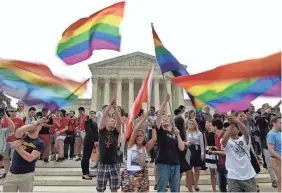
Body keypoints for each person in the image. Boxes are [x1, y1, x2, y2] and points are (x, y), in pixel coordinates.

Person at [3, 120, 44, 192]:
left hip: (27, 175)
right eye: (30, 124)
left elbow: (30, 158)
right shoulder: (22, 135)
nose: (32, 126)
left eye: (35, 125)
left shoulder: (40, 143)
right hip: (12, 174)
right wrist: (34, 124)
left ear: (40, 127)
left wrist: (19, 148)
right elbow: (18, 131)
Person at [155, 94, 185, 192]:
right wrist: (164, 102)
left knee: (175, 189)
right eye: (163, 120)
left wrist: (178, 135)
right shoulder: (161, 132)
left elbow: (181, 148)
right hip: (163, 164)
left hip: (176, 164)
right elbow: (159, 116)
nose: (165, 120)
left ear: (171, 123)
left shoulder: (174, 134)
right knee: (162, 189)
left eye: (167, 119)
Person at [121, 112, 156, 192]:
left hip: (142, 175)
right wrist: (143, 119)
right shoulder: (131, 146)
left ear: (144, 137)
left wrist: (152, 124)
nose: (139, 137)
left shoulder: (145, 148)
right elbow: (135, 130)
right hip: (131, 175)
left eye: (141, 135)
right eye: (137, 136)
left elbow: (154, 139)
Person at [221, 116, 257, 192]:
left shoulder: (243, 139)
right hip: (233, 176)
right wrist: (232, 125)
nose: (230, 128)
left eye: (234, 127)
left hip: (248, 175)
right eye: (228, 128)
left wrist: (238, 122)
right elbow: (224, 141)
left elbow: (246, 134)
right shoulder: (226, 141)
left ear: (238, 130)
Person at [97, 97, 121, 192]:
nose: (114, 122)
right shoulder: (102, 131)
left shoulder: (116, 132)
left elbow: (119, 121)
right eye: (112, 120)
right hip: (102, 163)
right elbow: (104, 115)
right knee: (100, 189)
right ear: (106, 122)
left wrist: (115, 109)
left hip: (114, 163)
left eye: (114, 121)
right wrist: (110, 104)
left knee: (114, 188)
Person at [0, 109, 23, 179]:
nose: (14, 112)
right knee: (6, 158)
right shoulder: (3, 120)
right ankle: (7, 173)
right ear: (9, 112)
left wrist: (20, 139)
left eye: (15, 111)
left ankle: (13, 172)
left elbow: (21, 130)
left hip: (15, 141)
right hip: (5, 143)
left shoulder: (20, 120)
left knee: (14, 158)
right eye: (12, 111)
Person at [185, 118, 205, 192]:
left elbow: (202, 144)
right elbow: (184, 142)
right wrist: (189, 142)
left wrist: (202, 153)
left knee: (196, 168)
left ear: (195, 124)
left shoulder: (199, 133)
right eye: (189, 123)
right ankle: (190, 182)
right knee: (189, 168)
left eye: (192, 123)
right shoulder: (186, 133)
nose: (190, 125)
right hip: (189, 149)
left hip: (197, 150)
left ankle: (196, 184)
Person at [210, 119, 227, 192]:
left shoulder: (225, 135)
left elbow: (226, 152)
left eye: (211, 126)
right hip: (219, 163)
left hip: (227, 164)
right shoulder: (215, 136)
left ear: (215, 127)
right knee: (221, 187)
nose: (210, 127)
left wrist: (216, 152)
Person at [81, 110, 98, 180]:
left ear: (95, 115)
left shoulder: (94, 122)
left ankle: (87, 172)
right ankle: (84, 174)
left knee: (87, 158)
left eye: (93, 113)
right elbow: (89, 132)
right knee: (85, 157)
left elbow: (96, 132)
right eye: (91, 113)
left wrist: (97, 140)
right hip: (88, 141)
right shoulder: (87, 122)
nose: (92, 114)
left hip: (92, 142)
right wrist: (94, 141)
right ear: (89, 114)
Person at [267, 117, 281, 192]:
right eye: (280, 123)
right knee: (280, 180)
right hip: (276, 160)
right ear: (274, 123)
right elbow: (270, 149)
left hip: (279, 158)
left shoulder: (279, 133)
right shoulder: (271, 134)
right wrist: (280, 158)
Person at [204, 121, 217, 192]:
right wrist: (205, 153)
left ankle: (220, 185)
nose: (207, 124)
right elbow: (205, 143)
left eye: (209, 123)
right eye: (206, 123)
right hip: (209, 151)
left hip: (216, 149)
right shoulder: (205, 133)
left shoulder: (215, 132)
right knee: (212, 171)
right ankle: (214, 189)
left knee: (218, 170)